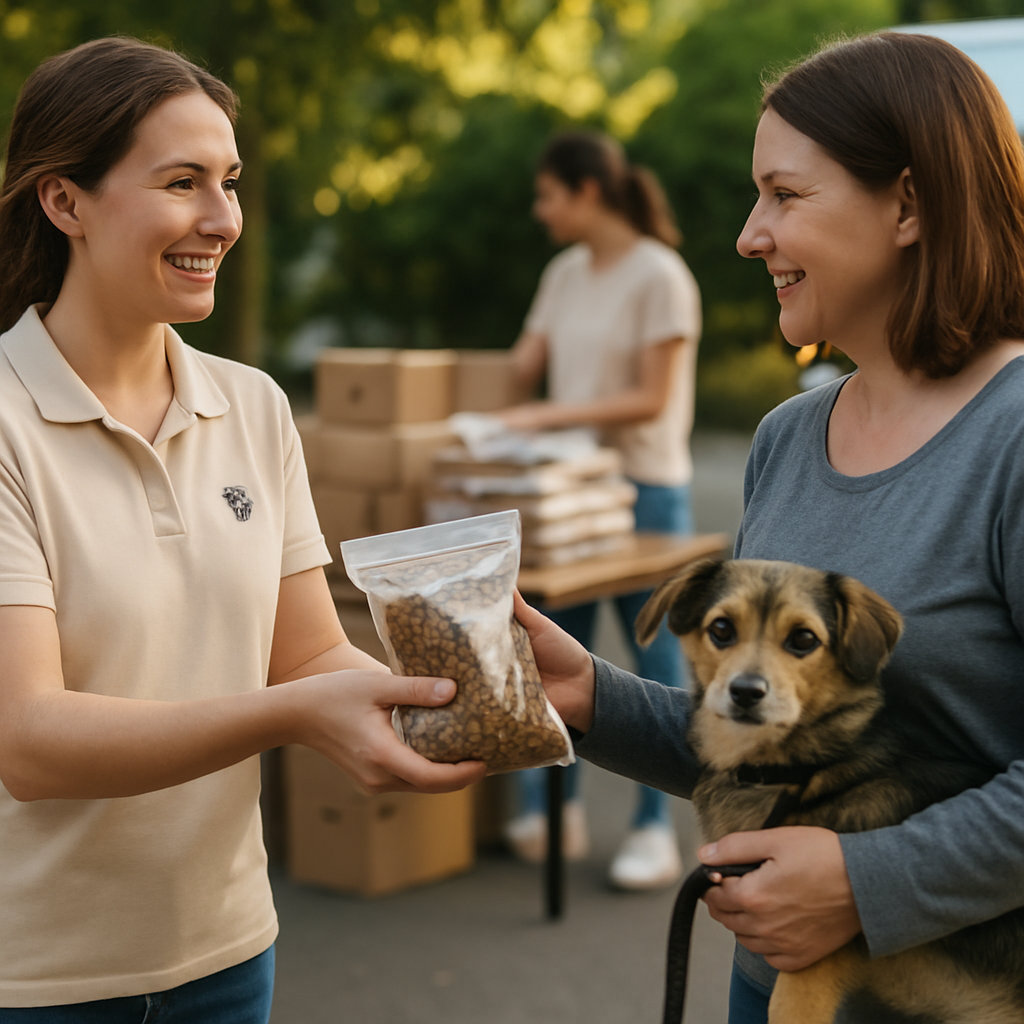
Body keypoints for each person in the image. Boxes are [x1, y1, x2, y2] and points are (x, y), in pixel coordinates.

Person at [513, 30, 1024, 1024]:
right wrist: (590, 698)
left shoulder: (1012, 435)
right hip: (777, 995)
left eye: (785, 196)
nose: (749, 235)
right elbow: (774, 728)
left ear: (910, 204)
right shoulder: (788, 436)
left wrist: (863, 880)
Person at [0, 37, 483, 1019]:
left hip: (226, 954)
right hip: (37, 977)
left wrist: (449, 693)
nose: (222, 220)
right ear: (65, 201)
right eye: (182, 182)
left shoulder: (252, 405)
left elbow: (304, 655)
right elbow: (31, 739)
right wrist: (294, 717)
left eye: (229, 182)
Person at [497, 130, 702, 890]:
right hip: (571, 493)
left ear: (587, 192)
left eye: (548, 194)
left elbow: (650, 398)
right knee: (560, 650)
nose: (538, 210)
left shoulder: (661, 275)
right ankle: (558, 808)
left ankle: (655, 832)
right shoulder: (563, 273)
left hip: (646, 491)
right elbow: (522, 367)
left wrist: (544, 417)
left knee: (654, 664)